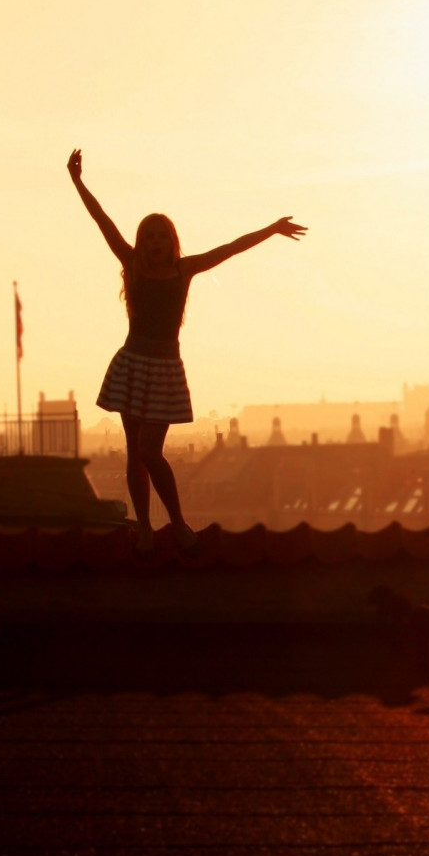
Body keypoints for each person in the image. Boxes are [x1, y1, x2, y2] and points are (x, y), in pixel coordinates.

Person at [67, 148, 307, 553]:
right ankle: (144, 527)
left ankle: (177, 521)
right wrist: (77, 182)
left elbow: (232, 247)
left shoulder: (185, 269)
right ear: (142, 242)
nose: (157, 241)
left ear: (172, 241)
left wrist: (271, 229)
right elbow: (102, 221)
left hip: (163, 367)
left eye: (163, 235)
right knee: (134, 454)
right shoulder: (131, 262)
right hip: (132, 363)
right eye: (150, 235)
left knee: (149, 451)